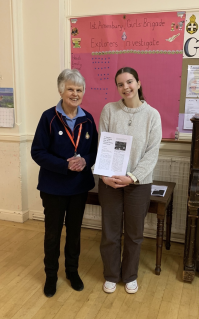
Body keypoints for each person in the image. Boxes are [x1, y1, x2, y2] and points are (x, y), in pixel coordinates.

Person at [31, 69, 98, 297]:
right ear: (61, 90)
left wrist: (84, 160)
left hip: (79, 188)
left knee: (74, 232)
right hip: (53, 188)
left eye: (79, 90)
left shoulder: (88, 119)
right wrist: (64, 165)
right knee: (52, 233)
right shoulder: (48, 117)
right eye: (70, 89)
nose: (75, 93)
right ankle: (51, 275)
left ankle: (72, 271)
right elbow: (37, 152)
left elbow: (95, 152)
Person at [98, 67, 162, 294]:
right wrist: (105, 176)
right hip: (110, 183)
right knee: (110, 231)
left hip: (139, 183)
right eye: (120, 84)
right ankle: (111, 275)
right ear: (117, 87)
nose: (125, 87)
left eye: (129, 82)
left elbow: (152, 153)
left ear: (138, 83)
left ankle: (130, 275)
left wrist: (132, 177)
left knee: (134, 233)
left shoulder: (152, 115)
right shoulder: (109, 110)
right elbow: (102, 145)